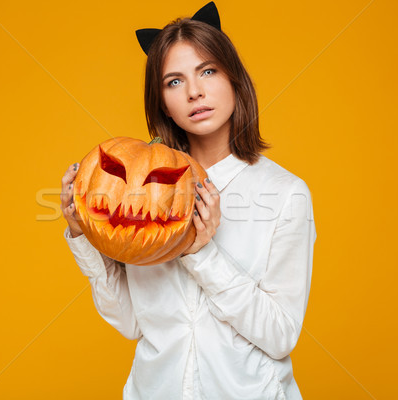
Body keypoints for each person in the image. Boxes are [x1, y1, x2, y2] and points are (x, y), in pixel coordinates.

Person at [60, 2, 316, 399]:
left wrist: (200, 252)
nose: (194, 91)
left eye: (208, 71)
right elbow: (130, 322)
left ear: (234, 79)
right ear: (162, 100)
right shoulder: (139, 192)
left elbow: (280, 334)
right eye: (174, 81)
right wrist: (82, 234)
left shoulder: (285, 194)